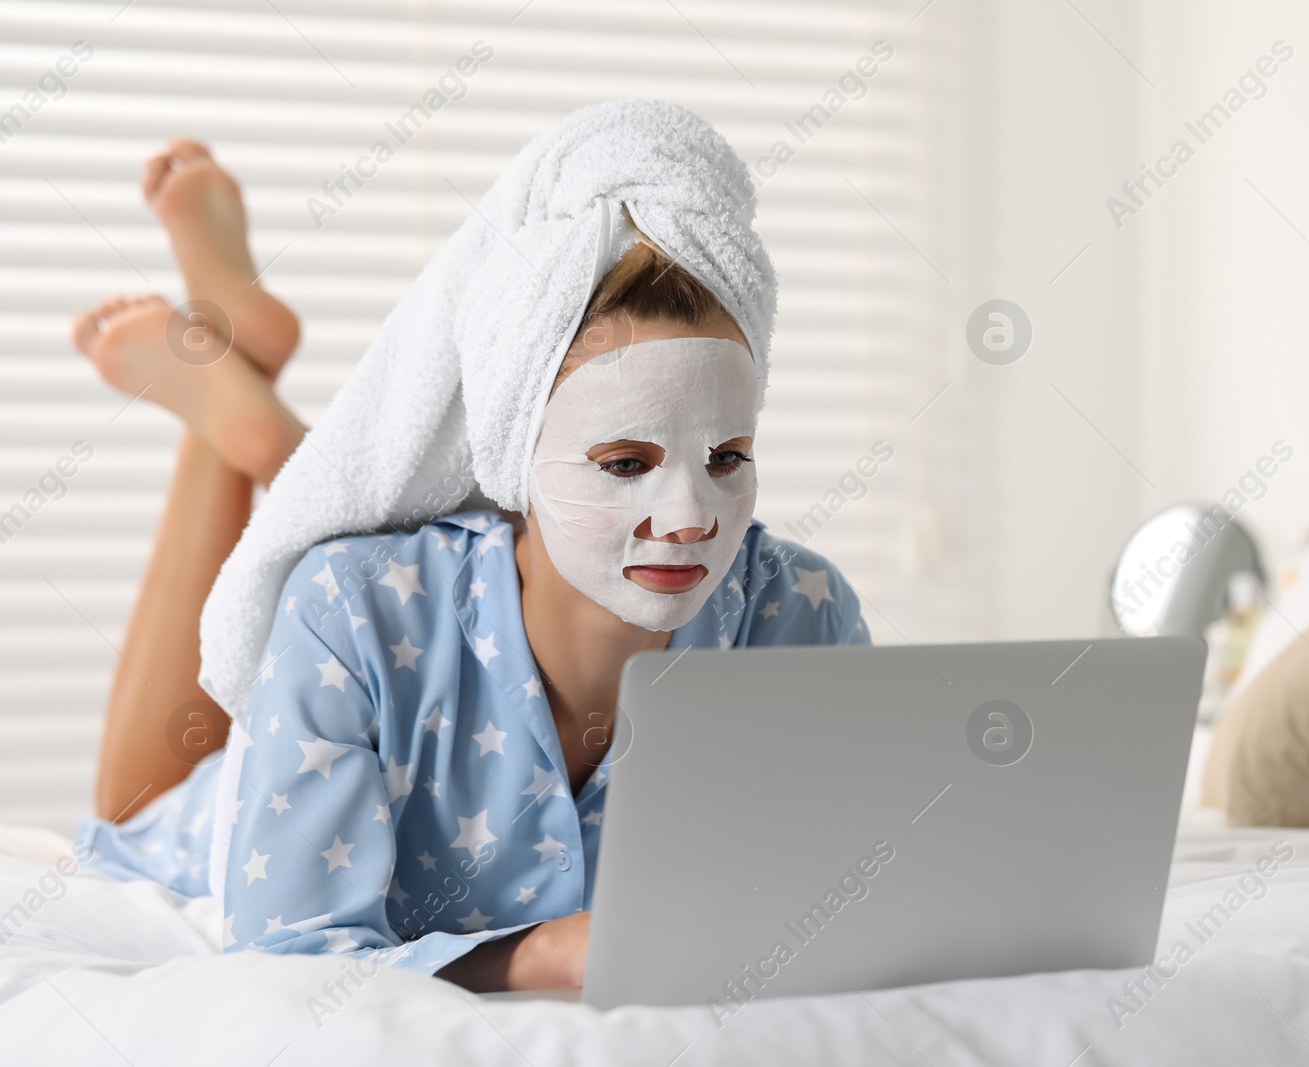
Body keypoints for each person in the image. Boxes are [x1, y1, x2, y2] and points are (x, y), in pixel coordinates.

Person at [72, 132, 868, 993]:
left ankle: (251, 405)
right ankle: (239, 414)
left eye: (726, 459)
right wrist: (547, 951)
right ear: (516, 453)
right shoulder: (351, 604)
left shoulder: (804, 607)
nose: (689, 521)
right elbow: (292, 958)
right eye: (626, 463)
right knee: (132, 802)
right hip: (234, 799)